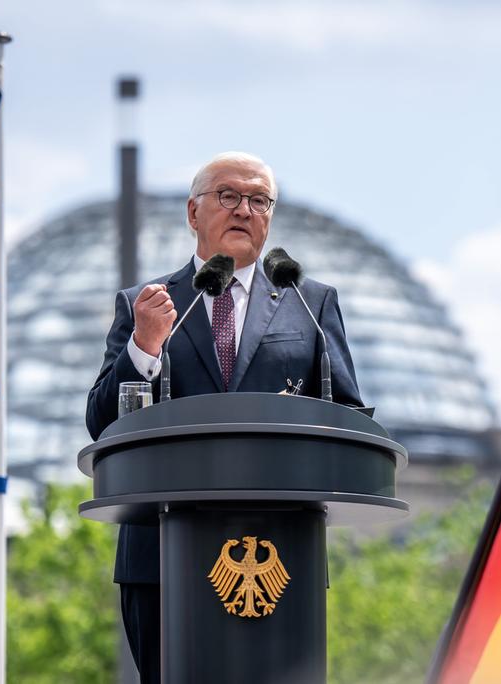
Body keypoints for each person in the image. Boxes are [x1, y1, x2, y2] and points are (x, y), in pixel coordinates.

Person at [86, 151, 363, 682]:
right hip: (162, 558)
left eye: (258, 200)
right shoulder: (149, 304)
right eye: (228, 196)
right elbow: (102, 422)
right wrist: (144, 346)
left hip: (283, 558)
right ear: (194, 213)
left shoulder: (311, 304)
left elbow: (347, 411)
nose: (244, 210)